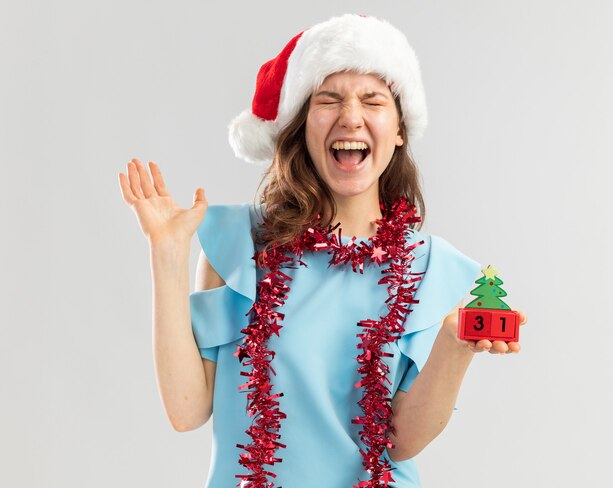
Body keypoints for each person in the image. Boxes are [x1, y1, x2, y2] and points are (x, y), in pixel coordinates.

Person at [118, 13, 528, 488]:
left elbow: (398, 440)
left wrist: (455, 349)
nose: (350, 116)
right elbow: (187, 411)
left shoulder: (430, 268)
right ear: (302, 127)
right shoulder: (238, 248)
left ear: (399, 131)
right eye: (329, 99)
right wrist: (167, 253)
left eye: (372, 100)